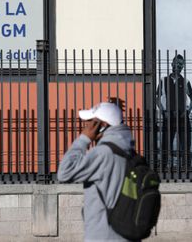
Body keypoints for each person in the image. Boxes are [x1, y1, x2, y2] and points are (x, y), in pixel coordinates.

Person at [57, 101, 135, 242]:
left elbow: (64, 172)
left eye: (90, 122)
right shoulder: (127, 149)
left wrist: (83, 139)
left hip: (104, 236)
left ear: (101, 126)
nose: (86, 126)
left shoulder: (103, 153)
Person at [156, 54, 192, 169]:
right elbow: (157, 98)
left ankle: (186, 166)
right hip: (169, 116)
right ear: (172, 64)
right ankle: (164, 165)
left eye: (181, 64)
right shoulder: (163, 80)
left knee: (185, 143)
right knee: (166, 143)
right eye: (176, 63)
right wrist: (163, 111)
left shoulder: (185, 81)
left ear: (183, 66)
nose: (178, 66)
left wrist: (188, 110)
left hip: (183, 117)